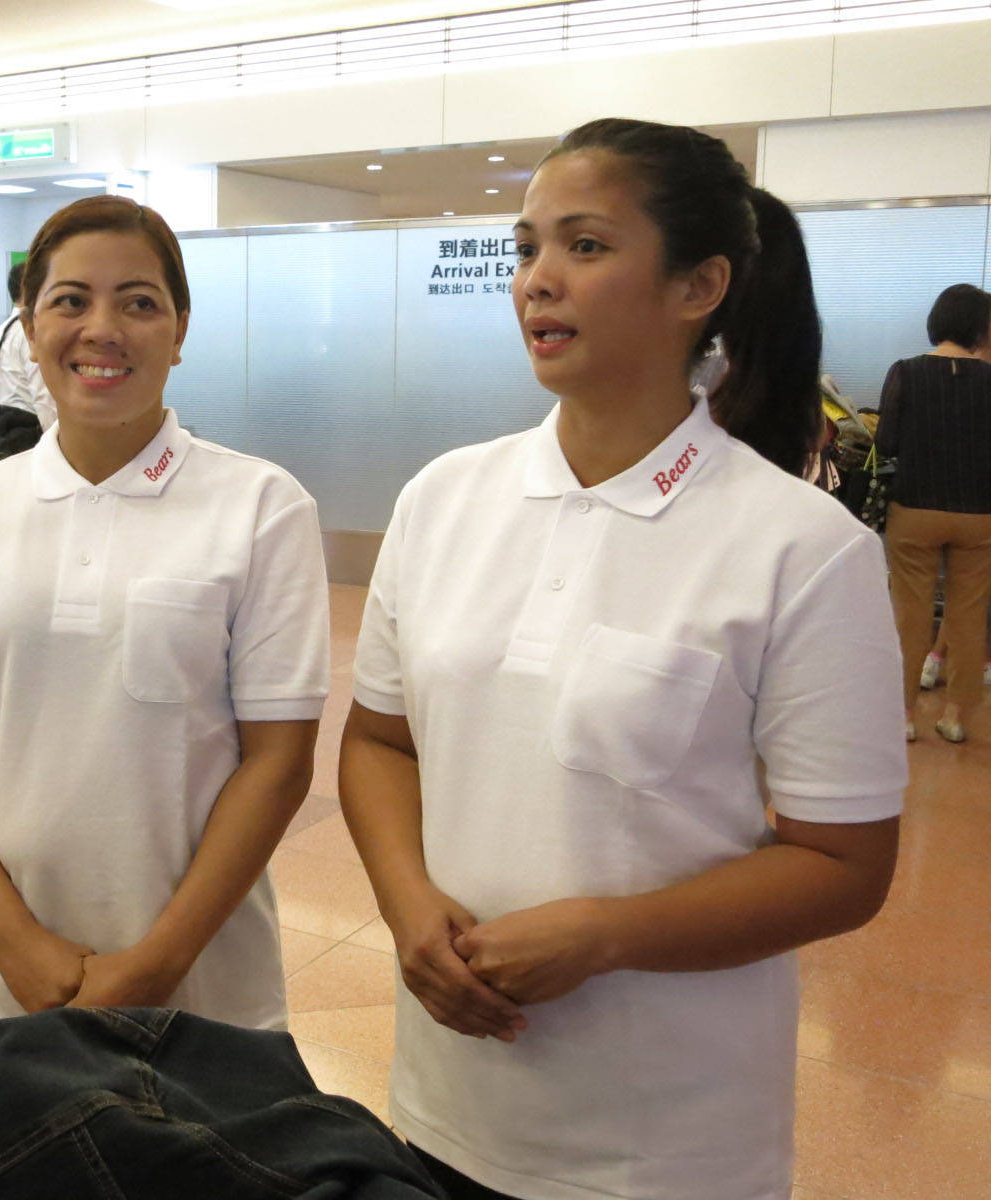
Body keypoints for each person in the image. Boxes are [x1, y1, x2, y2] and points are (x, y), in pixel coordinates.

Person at [339, 118, 905, 1200]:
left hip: (666, 1143)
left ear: (698, 287)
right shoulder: (443, 499)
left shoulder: (798, 546)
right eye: (525, 248)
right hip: (447, 1104)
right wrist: (408, 903)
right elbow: (376, 740)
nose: (536, 281)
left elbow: (844, 866)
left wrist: (606, 934)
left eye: (584, 247)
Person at [0, 194, 330, 1031]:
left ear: (180, 327)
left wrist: (158, 960)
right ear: (28, 327)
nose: (102, 329)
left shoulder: (261, 507)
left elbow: (278, 763)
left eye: (138, 302)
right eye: (70, 301)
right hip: (15, 981)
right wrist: (12, 938)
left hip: (204, 985)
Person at [876, 282, 991, 743]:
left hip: (914, 508)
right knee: (968, 614)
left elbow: (886, 443)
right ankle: (956, 717)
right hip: (978, 513)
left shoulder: (904, 372)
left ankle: (902, 715)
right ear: (980, 328)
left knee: (910, 614)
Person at [0, 262, 57, 432]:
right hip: (27, 427)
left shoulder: (3, 329)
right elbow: (42, 392)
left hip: (2, 425)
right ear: (27, 286)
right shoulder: (29, 331)